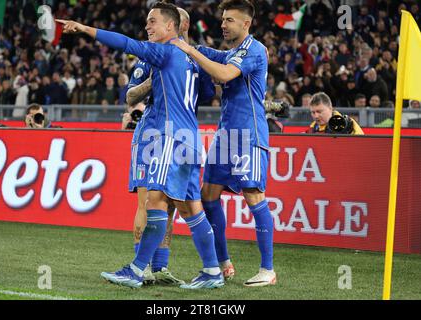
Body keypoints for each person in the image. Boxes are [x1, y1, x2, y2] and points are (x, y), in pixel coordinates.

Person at [57, 1, 223, 290]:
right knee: (191, 209)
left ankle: (135, 270)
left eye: (152, 21)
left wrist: (84, 28)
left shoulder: (165, 51)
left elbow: (124, 43)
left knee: (155, 202)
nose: (147, 27)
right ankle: (212, 270)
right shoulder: (194, 58)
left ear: (170, 26)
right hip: (191, 139)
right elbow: (208, 91)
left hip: (168, 138)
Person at [171, 0, 276, 287]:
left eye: (229, 20)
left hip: (249, 136)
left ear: (246, 23)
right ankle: (223, 262)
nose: (223, 24)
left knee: (254, 196)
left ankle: (267, 270)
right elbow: (208, 54)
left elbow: (223, 74)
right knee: (208, 195)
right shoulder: (234, 52)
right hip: (226, 135)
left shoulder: (253, 50)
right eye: (222, 19)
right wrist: (184, 37)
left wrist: (190, 49)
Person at [120, 7, 197, 287]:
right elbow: (130, 97)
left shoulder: (189, 57)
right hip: (150, 136)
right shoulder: (150, 57)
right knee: (147, 201)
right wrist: (154, 80)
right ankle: (141, 268)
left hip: (174, 137)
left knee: (169, 206)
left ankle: (160, 267)